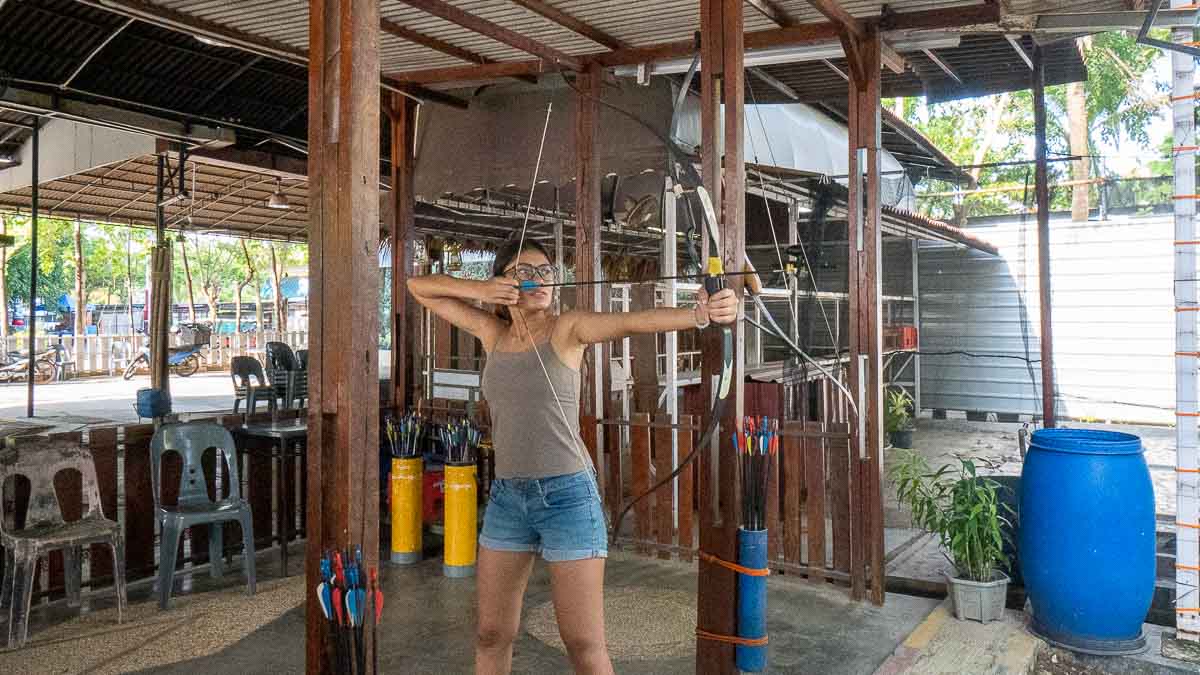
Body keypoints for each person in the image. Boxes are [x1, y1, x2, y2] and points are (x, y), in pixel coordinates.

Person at [407, 238, 739, 675]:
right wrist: (480, 292)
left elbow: (630, 323)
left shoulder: (567, 328)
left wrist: (699, 314)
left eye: (546, 272)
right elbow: (418, 286)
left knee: (584, 644)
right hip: (508, 499)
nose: (540, 280)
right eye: (526, 272)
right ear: (503, 282)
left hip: (567, 496)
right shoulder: (493, 333)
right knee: (491, 633)